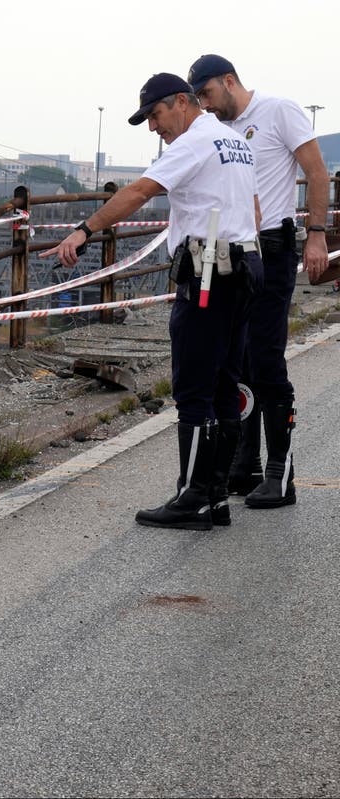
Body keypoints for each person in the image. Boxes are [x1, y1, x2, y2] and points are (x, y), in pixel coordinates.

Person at [42, 73, 262, 530]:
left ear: (182, 102)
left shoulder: (194, 141)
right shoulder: (232, 140)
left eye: (155, 115)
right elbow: (254, 206)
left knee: (194, 389)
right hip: (243, 268)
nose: (153, 128)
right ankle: (215, 497)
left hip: (208, 273)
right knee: (224, 385)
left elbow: (140, 191)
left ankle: (193, 498)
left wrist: (84, 231)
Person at [187, 54, 330, 510]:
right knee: (238, 359)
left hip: (275, 245)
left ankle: (280, 472)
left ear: (229, 81)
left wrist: (317, 236)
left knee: (266, 359)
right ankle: (244, 463)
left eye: (208, 94)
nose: (205, 106)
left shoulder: (278, 110)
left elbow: (317, 172)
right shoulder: (217, 129)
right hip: (237, 249)